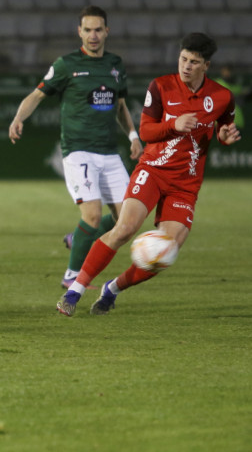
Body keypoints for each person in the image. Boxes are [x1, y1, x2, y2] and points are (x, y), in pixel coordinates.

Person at [57, 32, 241, 316]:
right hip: (153, 170)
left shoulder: (221, 96)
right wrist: (174, 125)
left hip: (185, 185)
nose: (186, 66)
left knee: (165, 252)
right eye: (183, 59)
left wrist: (225, 136)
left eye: (194, 61)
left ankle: (112, 289)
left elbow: (223, 127)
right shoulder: (161, 86)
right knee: (125, 229)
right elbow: (146, 132)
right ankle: (74, 291)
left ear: (206, 65)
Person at [8, 5, 143, 288]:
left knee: (127, 222)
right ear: (78, 32)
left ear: (107, 31)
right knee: (92, 216)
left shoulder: (115, 65)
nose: (93, 36)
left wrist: (133, 136)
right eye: (87, 30)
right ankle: (71, 276)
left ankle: (77, 238)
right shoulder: (66, 65)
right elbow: (37, 95)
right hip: (78, 150)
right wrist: (19, 117)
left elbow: (119, 106)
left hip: (109, 152)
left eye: (98, 30)